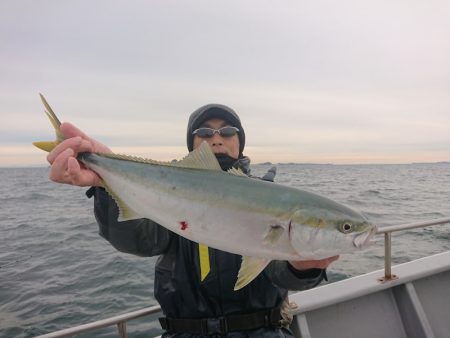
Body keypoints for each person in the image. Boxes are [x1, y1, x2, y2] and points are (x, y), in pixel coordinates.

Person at [47, 103, 339, 337]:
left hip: (265, 331)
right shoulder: (168, 194)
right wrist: (104, 186)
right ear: (193, 145)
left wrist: (302, 267)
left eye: (227, 130)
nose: (216, 138)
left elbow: (278, 272)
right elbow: (138, 240)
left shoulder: (272, 200)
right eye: (204, 132)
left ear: (240, 141)